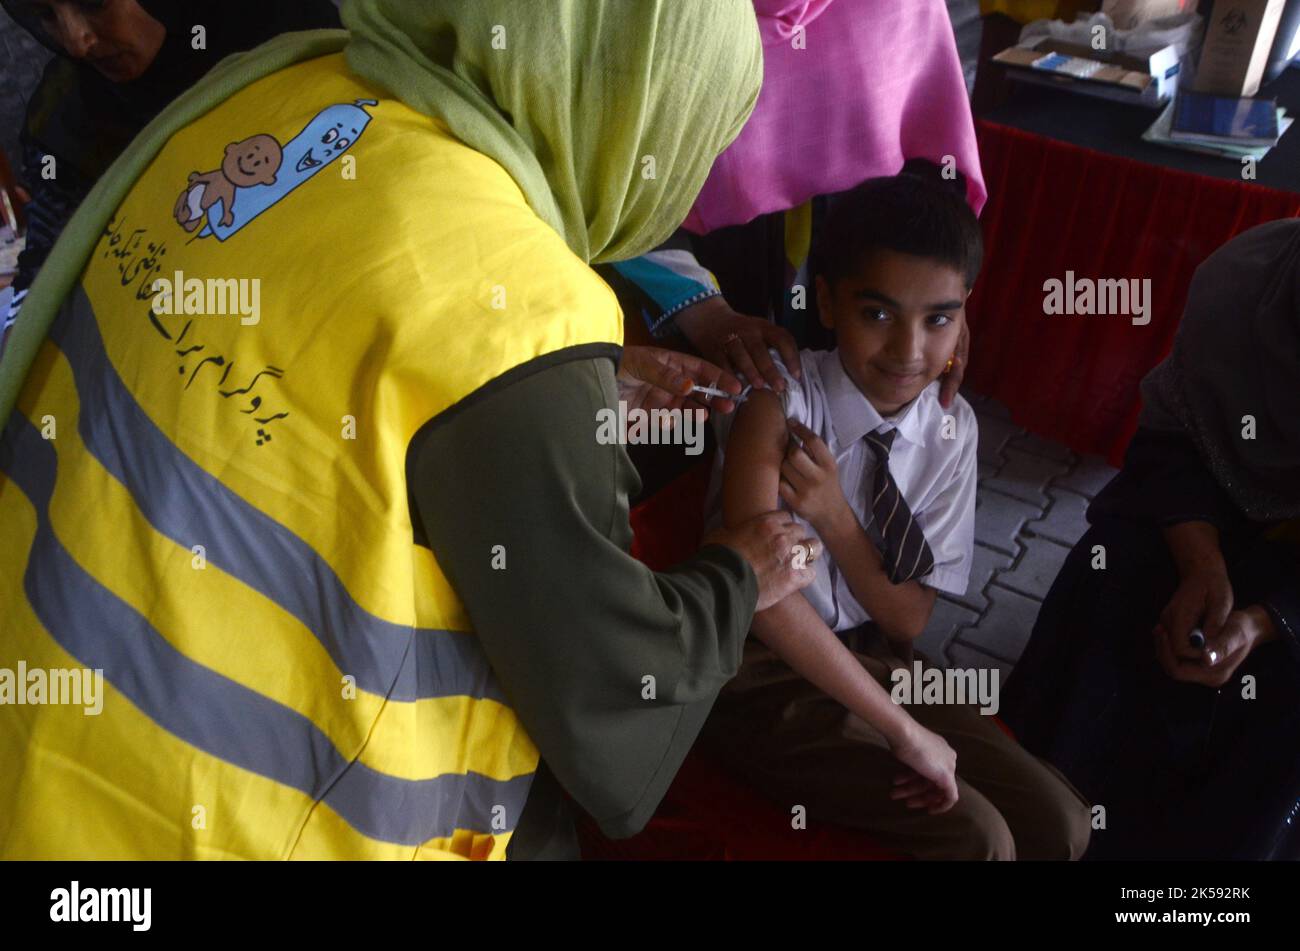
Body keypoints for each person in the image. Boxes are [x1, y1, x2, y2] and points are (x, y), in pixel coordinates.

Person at [0, 0, 819, 860]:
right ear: (642, 112)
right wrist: (735, 574)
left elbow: (323, 337)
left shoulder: (284, 87)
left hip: (41, 727)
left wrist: (556, 403)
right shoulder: (527, 306)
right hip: (194, 820)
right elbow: (608, 707)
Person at [699, 172, 1092, 860]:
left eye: (938, 317)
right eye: (877, 313)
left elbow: (908, 618)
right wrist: (904, 731)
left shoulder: (951, 427)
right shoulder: (780, 402)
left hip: (878, 657)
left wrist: (834, 515)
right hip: (758, 673)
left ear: (965, 314)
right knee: (980, 838)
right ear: (826, 300)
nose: (910, 351)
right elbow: (762, 603)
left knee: (1064, 823)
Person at [595, 0, 988, 499]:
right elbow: (604, 169)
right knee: (710, 440)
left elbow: (929, 152)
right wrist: (698, 307)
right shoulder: (655, 13)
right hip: (687, 268)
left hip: (871, 281)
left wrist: (937, 301)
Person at [1000, 219, 1300, 860]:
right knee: (1116, 575)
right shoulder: (1242, 286)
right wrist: (1202, 564)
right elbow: (1170, 440)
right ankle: (1045, 812)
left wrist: (1263, 622)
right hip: (1205, 510)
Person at [0, 0, 342, 345]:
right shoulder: (69, 119)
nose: (76, 40)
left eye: (94, 3)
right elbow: (48, 253)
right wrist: (20, 339)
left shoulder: (291, 37)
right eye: (47, 16)